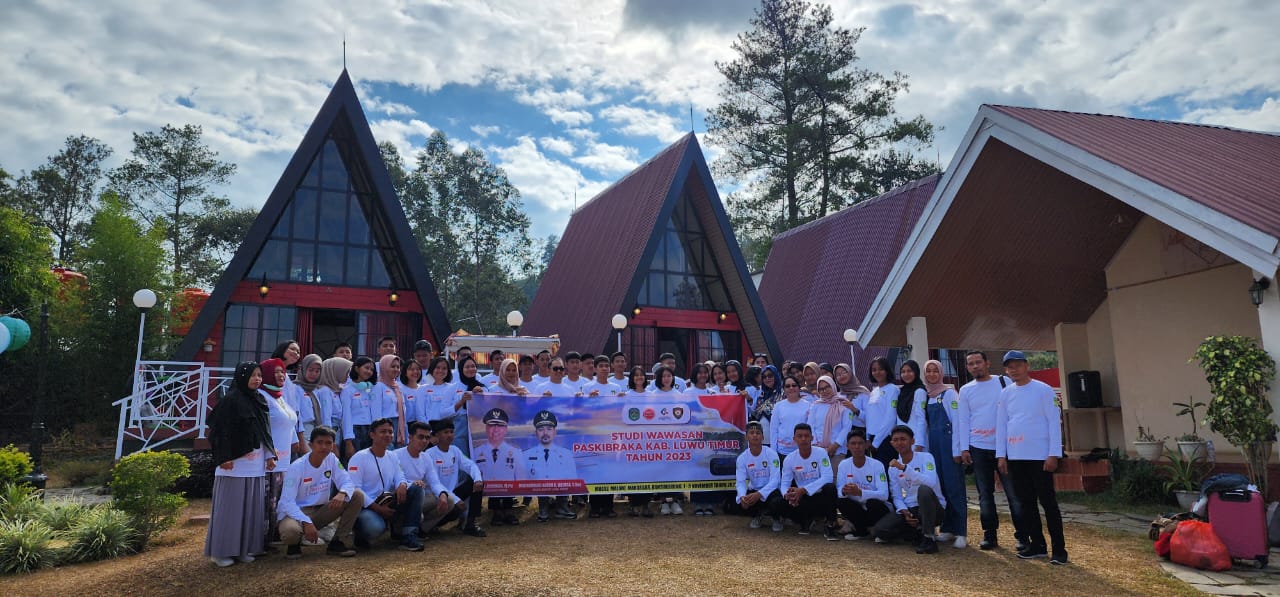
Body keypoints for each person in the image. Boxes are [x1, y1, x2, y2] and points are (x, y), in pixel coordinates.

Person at [997, 350, 1067, 565]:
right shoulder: (1005, 393)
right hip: (1016, 456)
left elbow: (1054, 422)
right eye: (1010, 367)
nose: (1014, 370)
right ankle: (1037, 545)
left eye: (1018, 365)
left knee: (1048, 503)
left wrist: (1053, 453)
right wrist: (1001, 455)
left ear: (1026, 366)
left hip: (1040, 456)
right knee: (1026, 503)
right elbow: (1002, 425)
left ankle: (1059, 550)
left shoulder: (1043, 390)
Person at [205, 362, 276, 567]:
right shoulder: (230, 401)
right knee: (230, 509)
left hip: (255, 464)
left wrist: (269, 455)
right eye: (252, 375)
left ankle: (243, 549)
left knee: (250, 509)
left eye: (259, 375)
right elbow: (219, 431)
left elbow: (265, 431)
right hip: (234, 463)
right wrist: (223, 457)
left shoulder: (259, 399)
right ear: (242, 376)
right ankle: (221, 552)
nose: (257, 379)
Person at [958, 350, 1026, 551]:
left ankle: (1023, 536)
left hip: (1005, 447)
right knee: (985, 495)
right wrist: (964, 448)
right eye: (971, 363)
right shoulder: (966, 390)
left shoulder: (1004, 382)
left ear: (987, 363)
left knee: (1014, 493)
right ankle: (990, 534)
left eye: (978, 362)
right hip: (978, 447)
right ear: (967, 367)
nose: (975, 366)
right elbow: (963, 420)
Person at [278, 426, 364, 559]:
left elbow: (347, 481)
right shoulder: (297, 467)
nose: (324, 447)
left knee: (357, 495)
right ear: (311, 444)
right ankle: (294, 544)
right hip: (296, 513)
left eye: (328, 443)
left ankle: (338, 542)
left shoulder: (332, 459)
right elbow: (286, 502)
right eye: (319, 442)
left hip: (320, 511)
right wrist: (306, 521)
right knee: (291, 532)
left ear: (333, 445)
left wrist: (342, 493)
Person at [347, 419, 423, 551]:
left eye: (390, 432)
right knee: (375, 528)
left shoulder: (392, 456)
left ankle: (408, 536)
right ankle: (360, 535)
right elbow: (355, 490)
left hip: (387, 502)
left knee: (416, 489)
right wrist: (377, 508)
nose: (387, 435)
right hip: (367, 507)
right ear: (372, 435)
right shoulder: (359, 457)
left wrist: (402, 484)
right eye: (383, 432)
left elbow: (400, 476)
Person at [872, 425, 946, 554]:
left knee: (924, 490)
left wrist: (904, 468)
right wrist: (904, 511)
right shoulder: (892, 467)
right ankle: (916, 532)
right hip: (911, 508)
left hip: (933, 507)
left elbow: (931, 482)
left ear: (912, 441)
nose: (899, 443)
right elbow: (896, 496)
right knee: (880, 530)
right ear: (891, 443)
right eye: (895, 440)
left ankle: (929, 539)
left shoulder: (926, 457)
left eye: (903, 439)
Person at [923, 359, 968, 549]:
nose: (932, 374)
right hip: (933, 447)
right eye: (928, 371)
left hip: (948, 446)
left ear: (941, 373)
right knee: (940, 487)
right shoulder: (927, 396)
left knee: (954, 487)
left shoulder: (949, 394)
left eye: (935, 371)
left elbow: (957, 422)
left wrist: (958, 450)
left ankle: (961, 531)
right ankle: (947, 528)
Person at [259, 358, 299, 545]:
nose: (281, 375)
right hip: (268, 460)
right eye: (276, 372)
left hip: (284, 460)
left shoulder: (279, 396)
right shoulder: (261, 396)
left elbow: (289, 421)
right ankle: (259, 540)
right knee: (266, 501)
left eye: (282, 371)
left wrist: (295, 441)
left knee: (277, 501)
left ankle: (272, 537)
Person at [425, 418, 487, 536]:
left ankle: (470, 524)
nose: (449, 435)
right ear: (437, 435)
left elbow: (470, 465)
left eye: (451, 432)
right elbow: (435, 483)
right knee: (454, 510)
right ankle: (432, 525)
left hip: (452, 493)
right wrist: (456, 500)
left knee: (475, 482)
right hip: (438, 496)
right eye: (445, 432)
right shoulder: (429, 454)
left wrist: (478, 479)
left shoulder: (455, 450)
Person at [778, 423, 838, 540]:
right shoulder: (789, 459)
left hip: (820, 495)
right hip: (803, 498)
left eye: (806, 436)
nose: (803, 439)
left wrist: (804, 490)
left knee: (830, 488)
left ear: (812, 438)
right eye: (799, 436)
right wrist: (787, 495)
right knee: (779, 502)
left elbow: (828, 477)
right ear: (794, 439)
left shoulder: (821, 453)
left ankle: (830, 524)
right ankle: (805, 520)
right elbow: (784, 483)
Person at [835, 428, 890, 540]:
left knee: (873, 503)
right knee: (841, 501)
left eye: (860, 443)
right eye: (853, 443)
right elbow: (840, 490)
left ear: (866, 445)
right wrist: (844, 491)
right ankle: (861, 531)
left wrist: (860, 492)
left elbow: (884, 495)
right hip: (858, 509)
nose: (857, 446)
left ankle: (877, 529)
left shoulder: (877, 465)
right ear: (847, 446)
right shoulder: (844, 464)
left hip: (875, 509)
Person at [523, 410, 578, 522]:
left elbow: (572, 477)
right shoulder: (526, 454)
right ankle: (543, 510)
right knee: (540, 477)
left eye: (549, 429)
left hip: (561, 488)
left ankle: (562, 509)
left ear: (555, 432)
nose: (545, 433)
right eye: (541, 429)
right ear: (536, 433)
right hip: (539, 488)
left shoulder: (566, 454)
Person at [473, 407, 521, 526]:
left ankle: (508, 510)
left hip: (509, 491)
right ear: (486, 428)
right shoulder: (476, 452)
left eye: (500, 426)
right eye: (491, 425)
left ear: (505, 429)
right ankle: (496, 512)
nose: (495, 429)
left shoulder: (516, 453)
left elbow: (520, 478)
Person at [733, 421, 784, 532]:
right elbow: (740, 482)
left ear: (763, 437)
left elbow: (775, 480)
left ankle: (776, 518)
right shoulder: (742, 458)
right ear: (746, 437)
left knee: (778, 502)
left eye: (758, 433)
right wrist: (742, 496)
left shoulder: (771, 454)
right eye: (751, 433)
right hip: (754, 490)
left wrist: (760, 494)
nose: (755, 435)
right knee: (739, 503)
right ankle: (757, 515)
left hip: (771, 491)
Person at [623, 365, 655, 517]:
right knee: (633, 472)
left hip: (649, 440)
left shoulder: (652, 395)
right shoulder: (626, 395)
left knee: (648, 472)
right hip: (632, 440)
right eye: (636, 375)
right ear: (632, 378)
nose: (639, 377)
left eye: (641, 374)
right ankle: (633, 504)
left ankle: (646, 504)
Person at [807, 375, 854, 470]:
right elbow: (810, 426)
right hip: (818, 450)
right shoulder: (815, 405)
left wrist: (834, 446)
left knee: (835, 476)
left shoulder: (843, 403)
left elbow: (847, 428)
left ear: (833, 386)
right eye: (821, 389)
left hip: (838, 450)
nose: (824, 391)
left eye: (827, 387)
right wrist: (815, 445)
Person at [864, 357, 900, 467]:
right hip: (872, 440)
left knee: (887, 471)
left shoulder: (893, 389)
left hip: (885, 439)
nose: (877, 372)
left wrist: (876, 443)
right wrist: (867, 438)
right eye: (874, 370)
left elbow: (890, 418)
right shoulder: (874, 391)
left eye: (881, 369)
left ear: (887, 370)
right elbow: (869, 417)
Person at [341, 357, 377, 455]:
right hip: (354, 431)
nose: (369, 371)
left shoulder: (370, 388)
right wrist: (348, 441)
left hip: (370, 430)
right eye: (366, 368)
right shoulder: (347, 389)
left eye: (372, 370)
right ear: (357, 368)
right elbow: (346, 415)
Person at [768, 375, 810, 458]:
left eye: (794, 385)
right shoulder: (778, 406)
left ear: (799, 387)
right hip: (782, 451)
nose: (791, 388)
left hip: (802, 450)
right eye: (787, 386)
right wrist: (773, 452)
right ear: (784, 389)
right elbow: (773, 429)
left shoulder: (808, 405)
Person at [317, 357, 350, 458]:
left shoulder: (336, 390)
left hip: (337, 429)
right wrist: (330, 439)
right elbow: (325, 417)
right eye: (345, 372)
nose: (347, 376)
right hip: (331, 430)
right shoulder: (325, 391)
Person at [373, 355, 408, 448]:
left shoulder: (397, 386)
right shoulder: (378, 386)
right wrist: (379, 429)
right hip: (384, 425)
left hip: (399, 424)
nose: (396, 369)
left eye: (398, 367)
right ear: (384, 368)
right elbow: (376, 411)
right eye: (392, 366)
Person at [897, 361, 929, 452]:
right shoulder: (901, 392)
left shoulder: (920, 391)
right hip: (902, 440)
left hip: (916, 440)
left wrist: (919, 443)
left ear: (916, 372)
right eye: (903, 372)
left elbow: (921, 419)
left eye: (909, 371)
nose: (906, 374)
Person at [295, 354, 327, 437]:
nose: (314, 374)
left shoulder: (315, 390)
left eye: (317, 371)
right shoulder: (295, 388)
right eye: (310, 370)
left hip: (315, 430)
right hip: (302, 431)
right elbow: (296, 414)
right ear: (303, 369)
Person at [750, 365, 783, 445]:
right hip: (762, 438)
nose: (767, 379)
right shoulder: (761, 395)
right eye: (764, 377)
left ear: (775, 376)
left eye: (770, 376)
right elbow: (755, 414)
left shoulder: (782, 393)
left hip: (778, 437)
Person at [834, 363, 870, 435]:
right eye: (838, 374)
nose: (841, 376)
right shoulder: (838, 396)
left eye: (844, 372)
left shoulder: (862, 392)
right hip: (842, 433)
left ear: (850, 373)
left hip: (860, 433)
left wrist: (854, 409)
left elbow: (869, 418)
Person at [399, 359, 425, 432]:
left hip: (422, 424)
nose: (415, 372)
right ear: (405, 372)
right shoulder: (400, 389)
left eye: (418, 369)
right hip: (406, 425)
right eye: (411, 369)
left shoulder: (423, 389)